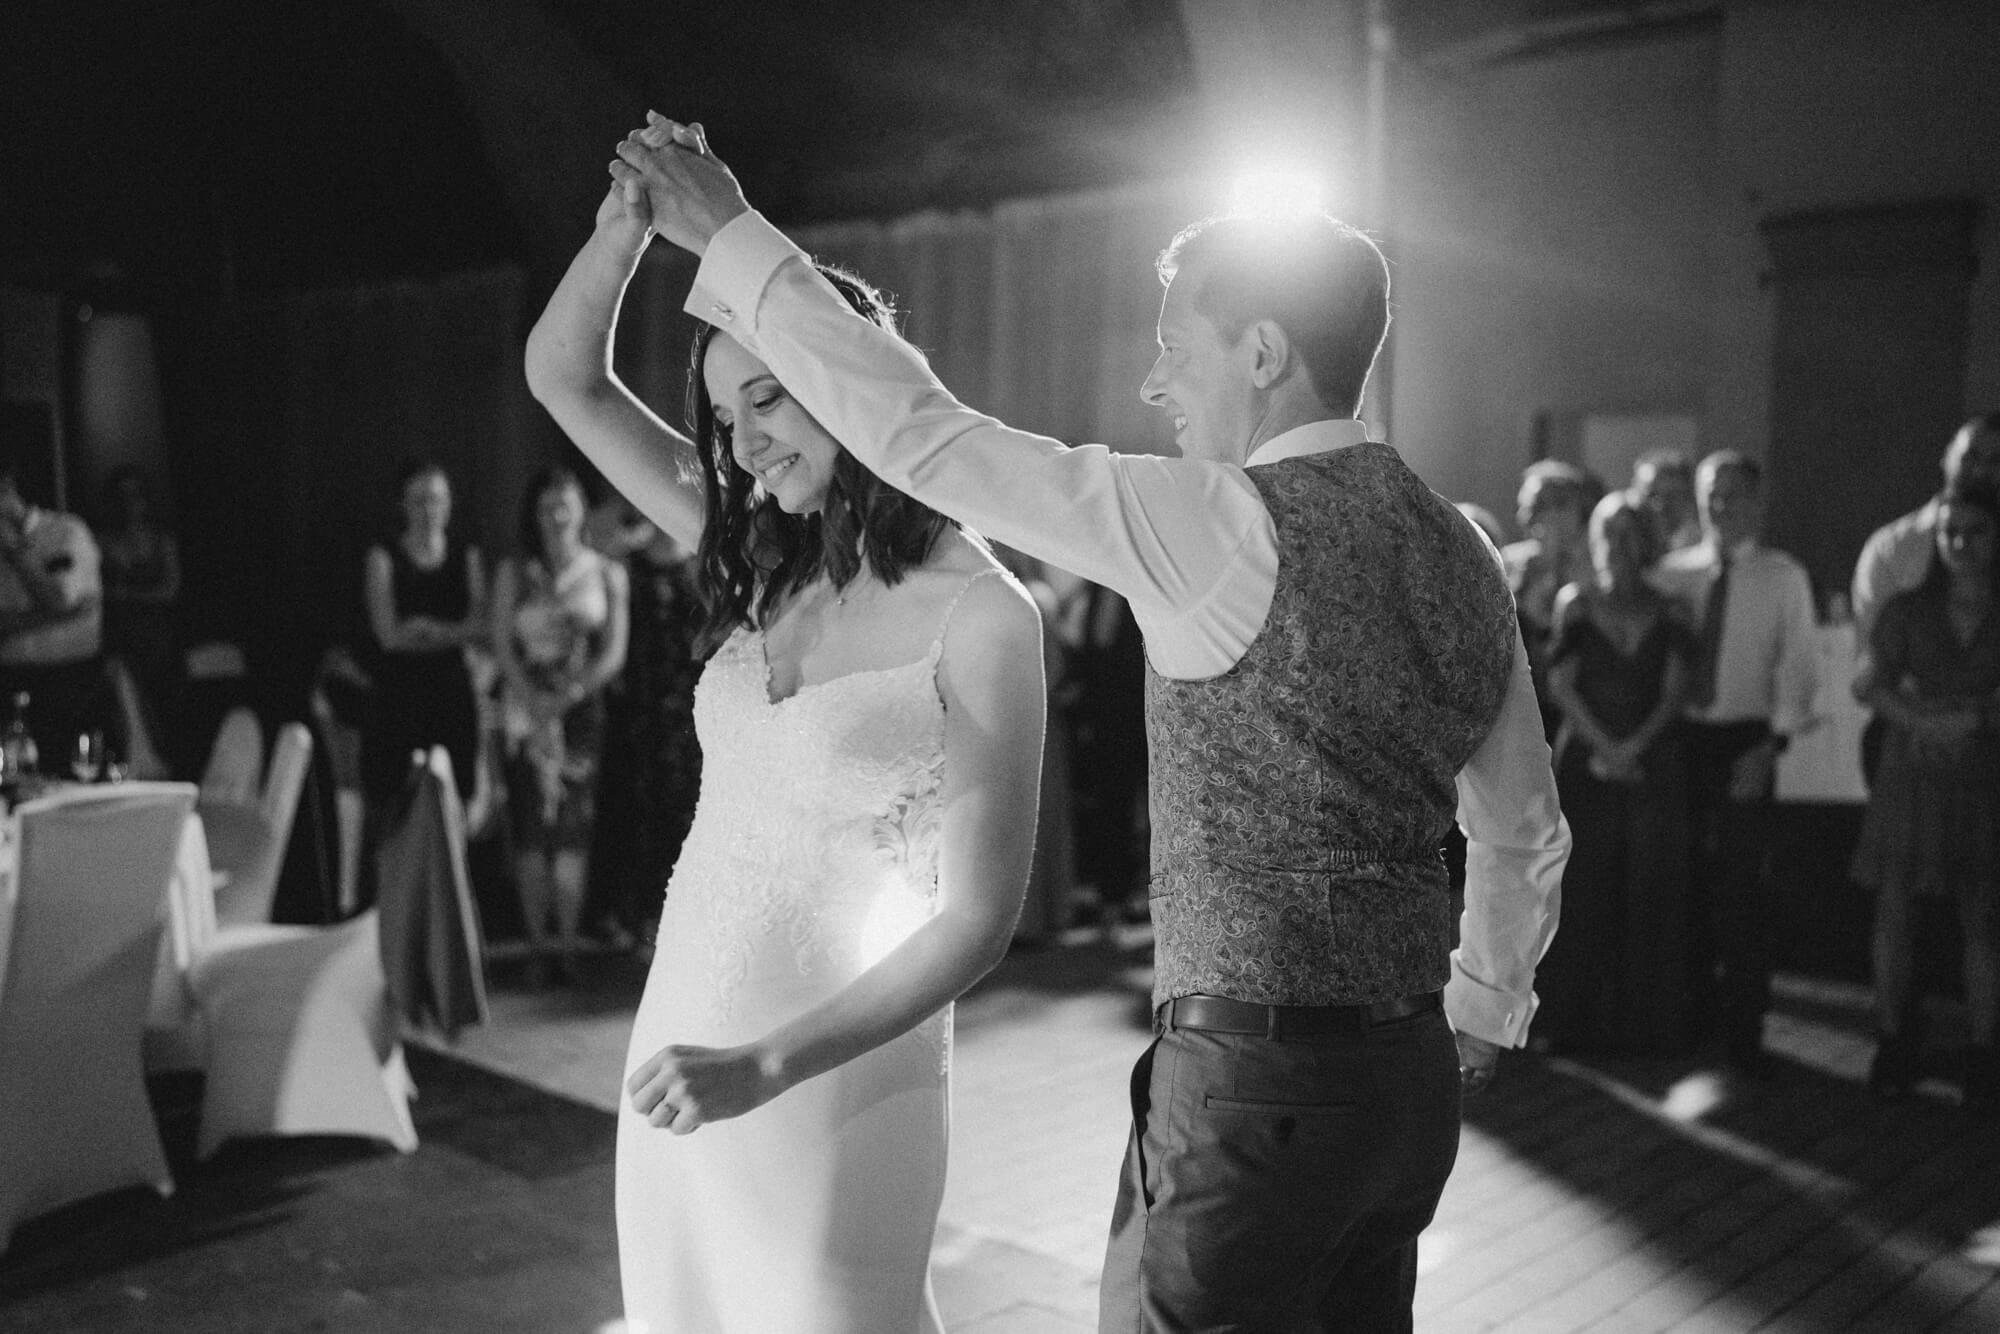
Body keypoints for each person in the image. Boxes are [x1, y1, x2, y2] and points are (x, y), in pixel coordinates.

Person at [618, 113, 1567, 1330]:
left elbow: (927, 438)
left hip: (1252, 1089)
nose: (1153, 381)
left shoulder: (1217, 524)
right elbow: (1524, 827)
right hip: (1405, 1089)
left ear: (1265, 352)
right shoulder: (1461, 549)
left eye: (1177, 348)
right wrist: (1484, 1005)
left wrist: (733, 236)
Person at [523, 165, 1045, 1332]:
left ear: (844, 378)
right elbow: (563, 375)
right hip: (678, 1043)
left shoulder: (986, 614)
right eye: (721, 418)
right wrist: (626, 224)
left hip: (836, 1074)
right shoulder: (764, 559)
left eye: (767, 400)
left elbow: (978, 919)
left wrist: (763, 1063)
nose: (741, 446)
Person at [1652, 451, 1821, 1074]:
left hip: (1747, 741)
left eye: (1733, 495)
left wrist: (1770, 748)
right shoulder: (1672, 575)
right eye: (1711, 495)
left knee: (1743, 890)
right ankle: (1688, 1019)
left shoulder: (1783, 577)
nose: (1721, 506)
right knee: (1684, 883)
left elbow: (1799, 669)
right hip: (1683, 742)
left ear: (1758, 500)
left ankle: (1743, 1027)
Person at [1849, 476, 2000, 1116]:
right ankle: (1891, 1043)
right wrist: (1922, 721)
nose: (1959, 543)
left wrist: (1976, 717)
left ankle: (1983, 1054)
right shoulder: (1907, 608)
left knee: (1983, 918)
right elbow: (1867, 686)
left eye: (1973, 532)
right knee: (1896, 910)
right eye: (1949, 532)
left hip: (1985, 772)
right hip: (1910, 770)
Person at [1540, 491, 1696, 1055]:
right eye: (1609, 534)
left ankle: (1645, 1028)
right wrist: (1607, 745)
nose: (1619, 546)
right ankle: (1572, 1023)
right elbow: (1561, 687)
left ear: (1646, 542)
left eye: (1630, 534)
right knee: (1581, 890)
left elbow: (1677, 693)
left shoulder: (1674, 608)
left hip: (1654, 764)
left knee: (1650, 892)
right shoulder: (1575, 603)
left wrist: (1634, 748)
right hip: (1584, 760)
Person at [491, 465, 628, 985]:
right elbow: (502, 642)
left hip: (582, 712)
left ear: (581, 511)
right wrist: (532, 699)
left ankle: (568, 945)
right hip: (524, 711)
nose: (555, 515)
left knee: (573, 830)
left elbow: (613, 653)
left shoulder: (607, 572)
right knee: (529, 829)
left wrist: (568, 695)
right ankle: (534, 944)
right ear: (534, 512)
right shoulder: (514, 571)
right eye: (546, 506)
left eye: (564, 505)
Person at [582, 493, 705, 951]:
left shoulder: (703, 565)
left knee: (689, 815)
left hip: (692, 715)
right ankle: (641, 920)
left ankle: (685, 923)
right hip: (638, 710)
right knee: (638, 812)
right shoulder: (623, 567)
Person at [1851, 416, 2000, 778]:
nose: (1982, 470)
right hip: (1908, 735)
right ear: (1946, 459)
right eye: (1971, 457)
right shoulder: (1894, 546)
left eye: (1997, 461)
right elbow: (1870, 657)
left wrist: (1974, 720)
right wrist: (1929, 723)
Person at [362, 461, 486, 810]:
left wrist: (431, 631)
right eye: (419, 500)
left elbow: (481, 625)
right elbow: (389, 635)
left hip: (452, 693)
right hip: (398, 694)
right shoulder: (384, 556)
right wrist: (454, 633)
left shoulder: (465, 553)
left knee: (457, 798)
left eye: (437, 499)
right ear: (403, 504)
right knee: (397, 801)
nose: (429, 510)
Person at [0, 436, 110, 766]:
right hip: (9, 680)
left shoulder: (66, 533)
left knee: (67, 776)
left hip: (69, 683)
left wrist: (15, 553)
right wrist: (60, 615)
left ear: (6, 484)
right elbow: (64, 610)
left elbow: (61, 599)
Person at [1503, 459, 1597, 736]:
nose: (1524, 517)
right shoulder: (1509, 562)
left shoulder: (1597, 569)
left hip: (1578, 710)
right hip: (1519, 708)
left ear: (1569, 511)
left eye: (1533, 508)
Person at [96, 463, 183, 732]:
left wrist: (128, 595)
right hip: (115, 636)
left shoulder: (161, 541)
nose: (129, 503)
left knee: (161, 700)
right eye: (121, 496)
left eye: (135, 495)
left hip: (156, 636)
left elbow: (171, 590)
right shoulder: (100, 541)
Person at [1628, 448, 1702, 554]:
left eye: (1672, 497)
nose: (1660, 505)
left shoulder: (1702, 554)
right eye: (1651, 495)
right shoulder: (1621, 550)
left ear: (1689, 498)